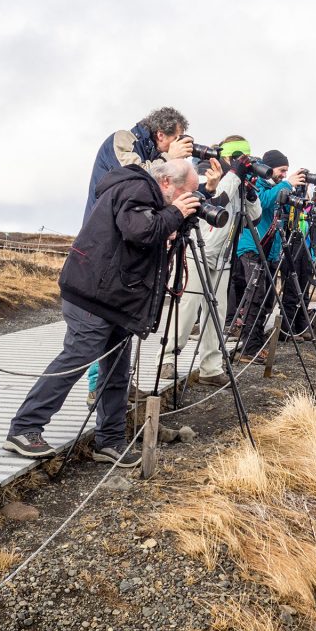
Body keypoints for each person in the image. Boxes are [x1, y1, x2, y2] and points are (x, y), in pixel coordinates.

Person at [3, 161, 201, 465]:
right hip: (93, 295)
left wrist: (171, 224)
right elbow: (138, 231)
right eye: (185, 194)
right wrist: (174, 215)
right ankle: (25, 428)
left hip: (115, 298)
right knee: (77, 357)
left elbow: (140, 238)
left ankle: (109, 441)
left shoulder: (148, 196)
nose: (184, 202)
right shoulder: (138, 187)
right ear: (165, 182)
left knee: (117, 372)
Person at [82, 107, 197, 409]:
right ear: (162, 134)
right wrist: (169, 160)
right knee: (100, 320)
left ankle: (117, 387)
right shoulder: (122, 139)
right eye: (176, 138)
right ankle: (97, 387)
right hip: (107, 240)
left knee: (122, 316)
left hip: (132, 241)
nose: (178, 143)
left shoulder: (153, 153)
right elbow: (135, 176)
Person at [157, 136, 261, 385]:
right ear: (226, 157)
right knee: (187, 308)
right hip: (197, 251)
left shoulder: (238, 182)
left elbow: (254, 218)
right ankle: (168, 358)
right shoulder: (205, 171)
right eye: (238, 158)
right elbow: (216, 202)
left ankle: (210, 368)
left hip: (223, 257)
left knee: (216, 312)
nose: (240, 164)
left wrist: (250, 192)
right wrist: (234, 176)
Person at [233, 150, 306, 359]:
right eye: (282, 170)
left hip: (269, 249)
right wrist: (287, 184)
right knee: (255, 297)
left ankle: (255, 340)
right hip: (252, 247)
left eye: (286, 172)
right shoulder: (255, 183)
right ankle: (249, 348)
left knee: (266, 299)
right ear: (270, 167)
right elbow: (261, 203)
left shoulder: (275, 187)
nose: (284, 174)